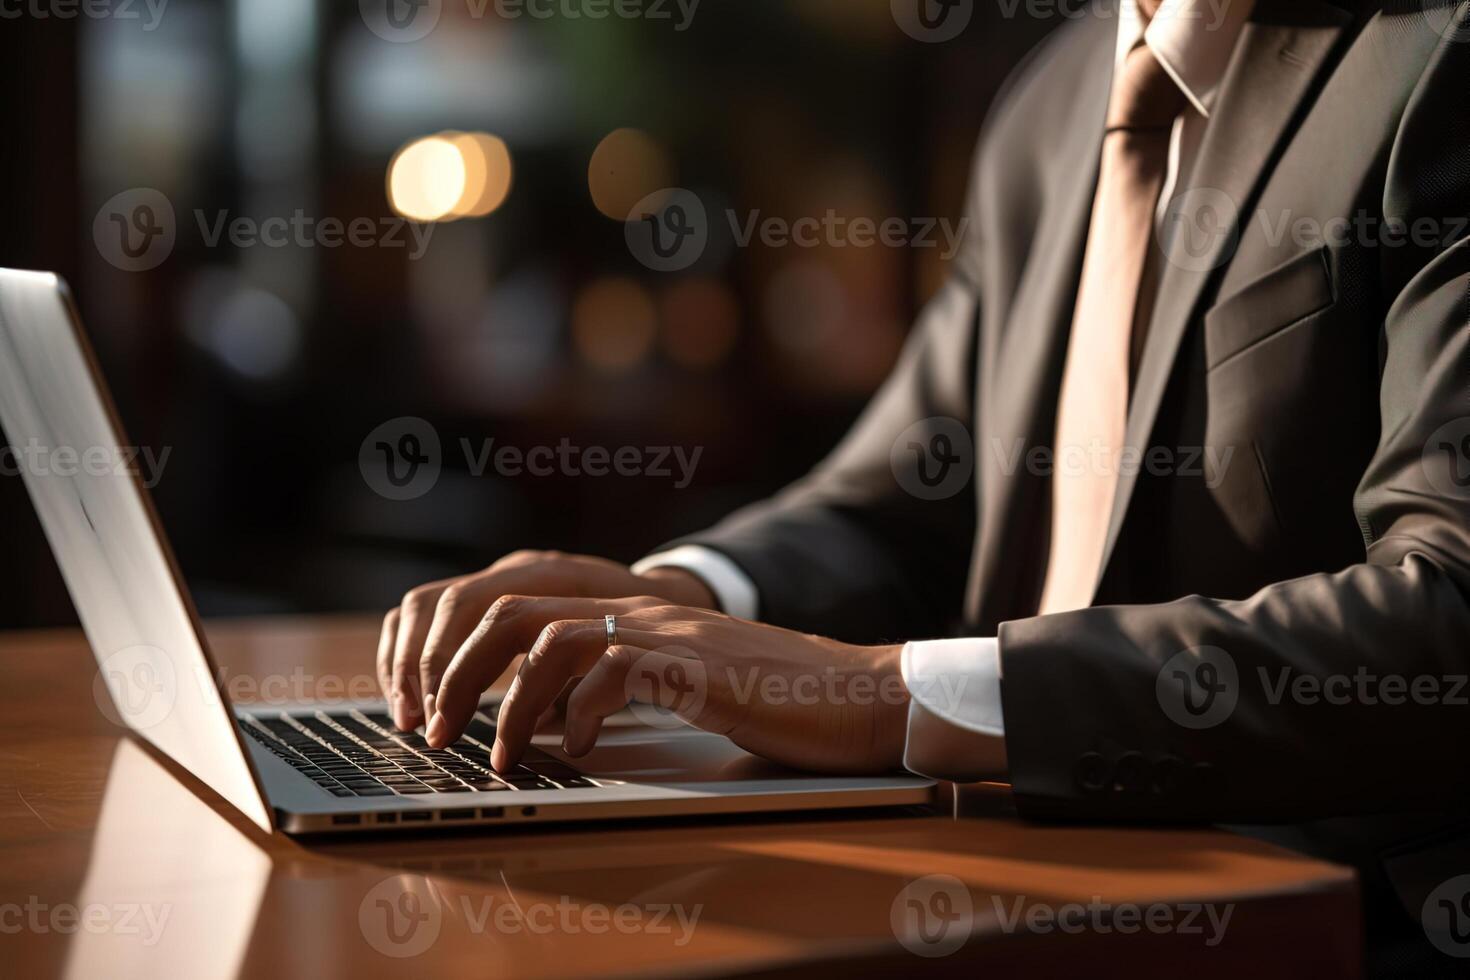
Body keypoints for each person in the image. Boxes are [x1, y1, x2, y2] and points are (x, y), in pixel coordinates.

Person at [376, 0, 1469, 895]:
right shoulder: (1054, 97)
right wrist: (673, 597)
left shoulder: (1435, 54)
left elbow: (1446, 614)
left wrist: (885, 695)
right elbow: (906, 494)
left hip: (1310, 902)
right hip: (996, 861)